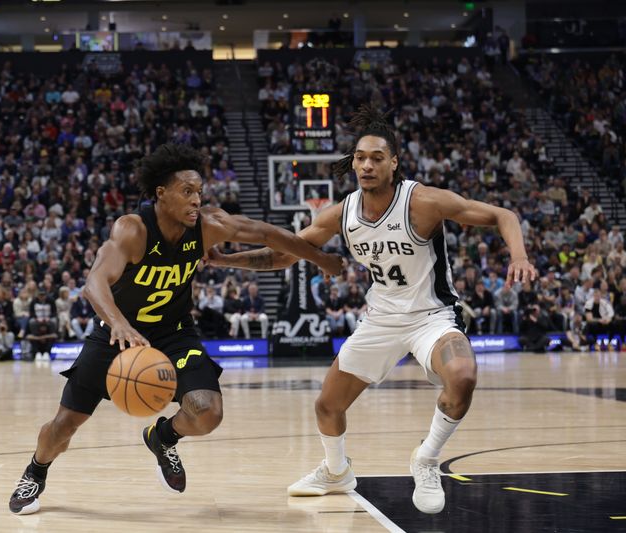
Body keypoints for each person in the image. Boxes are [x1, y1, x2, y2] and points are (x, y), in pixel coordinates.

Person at [208, 106, 536, 514]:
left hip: (432, 316)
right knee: (327, 406)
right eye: (361, 158)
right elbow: (285, 254)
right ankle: (335, 471)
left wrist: (517, 255)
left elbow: (503, 215)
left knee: (463, 376)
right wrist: (225, 261)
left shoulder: (423, 202)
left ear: (394, 162)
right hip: (381, 318)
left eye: (377, 158)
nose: (366, 165)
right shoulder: (342, 213)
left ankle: (427, 458)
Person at [8, 143, 342, 515]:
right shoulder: (132, 230)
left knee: (207, 411)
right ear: (160, 194)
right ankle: (35, 471)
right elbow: (94, 283)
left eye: (199, 192)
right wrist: (119, 323)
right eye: (187, 192)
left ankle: (162, 437)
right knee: (63, 425)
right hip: (116, 335)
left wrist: (321, 259)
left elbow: (267, 236)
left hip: (175, 334)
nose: (196, 200)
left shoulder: (208, 226)